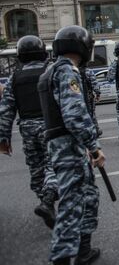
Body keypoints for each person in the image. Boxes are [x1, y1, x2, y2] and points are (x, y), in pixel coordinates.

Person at [37, 25, 105, 265]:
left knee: (88, 197)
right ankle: (62, 258)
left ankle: (83, 250)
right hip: (69, 145)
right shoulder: (67, 72)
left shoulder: (50, 71)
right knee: (71, 203)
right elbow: (74, 114)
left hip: (62, 144)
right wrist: (94, 147)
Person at [0, 35, 58, 229]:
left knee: (36, 168)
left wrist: (3, 138)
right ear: (42, 52)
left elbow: (6, 110)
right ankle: (49, 200)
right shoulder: (50, 72)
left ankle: (45, 202)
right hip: (50, 126)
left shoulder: (14, 77)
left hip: (27, 130)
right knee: (53, 165)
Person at [81, 68, 102, 137]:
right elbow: (94, 83)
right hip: (88, 97)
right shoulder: (88, 71)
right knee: (92, 114)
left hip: (77, 98)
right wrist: (97, 93)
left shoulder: (71, 70)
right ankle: (95, 130)